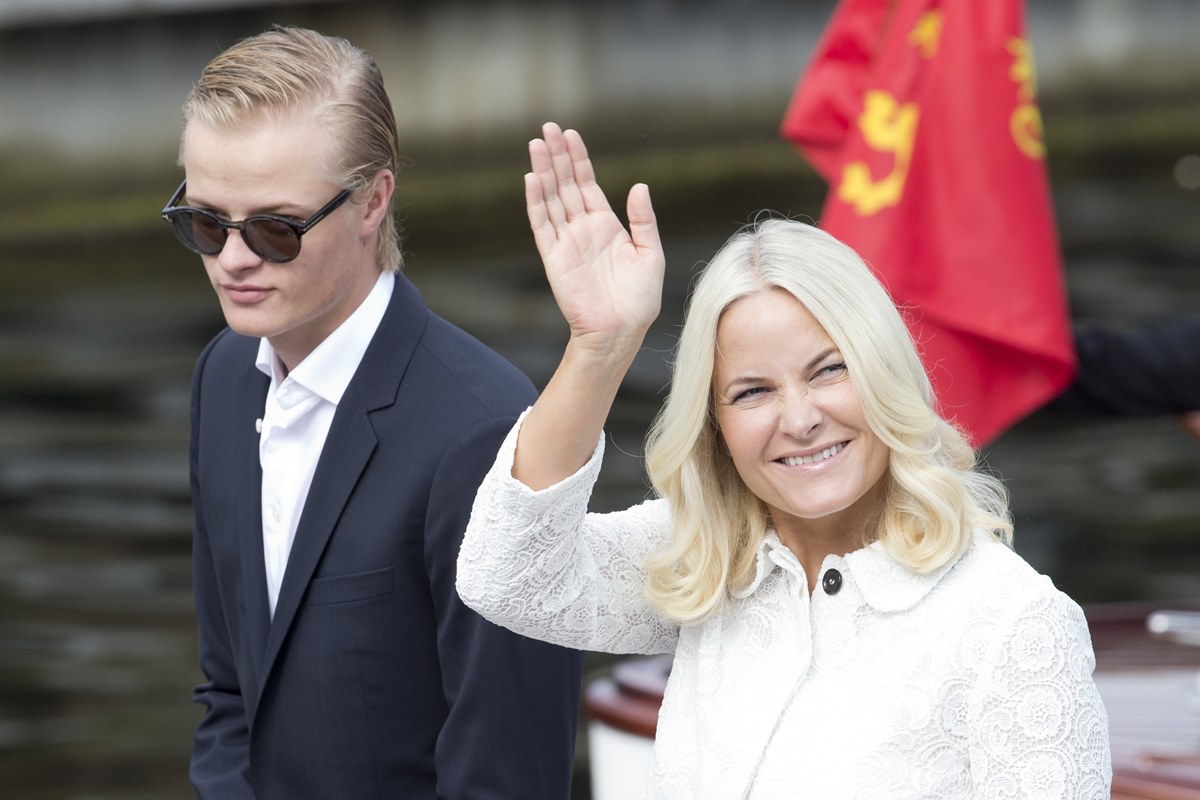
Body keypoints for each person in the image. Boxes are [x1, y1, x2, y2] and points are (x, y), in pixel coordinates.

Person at [456, 122, 1111, 798]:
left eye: (828, 371)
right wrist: (600, 348)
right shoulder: (703, 559)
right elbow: (507, 577)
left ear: (883, 371)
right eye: (752, 392)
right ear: (716, 428)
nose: (798, 420)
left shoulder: (1014, 622)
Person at [164, 27, 583, 799]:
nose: (231, 260)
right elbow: (228, 691)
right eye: (204, 221)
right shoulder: (222, 378)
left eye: (274, 229)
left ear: (372, 201)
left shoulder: (486, 433)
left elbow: (509, 777)